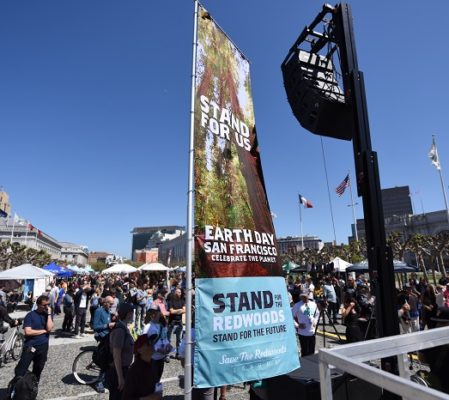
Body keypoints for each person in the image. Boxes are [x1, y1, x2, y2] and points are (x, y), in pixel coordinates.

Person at [14, 295, 53, 382]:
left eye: (48, 304)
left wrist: (49, 314)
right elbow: (28, 332)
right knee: (21, 369)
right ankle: (15, 388)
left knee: (38, 368)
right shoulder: (30, 315)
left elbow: (49, 328)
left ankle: (33, 387)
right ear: (38, 304)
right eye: (44, 305)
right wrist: (43, 331)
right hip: (30, 346)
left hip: (43, 346)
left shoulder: (47, 315)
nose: (46, 307)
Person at [105, 302, 134, 400]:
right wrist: (120, 377)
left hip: (123, 369)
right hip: (117, 371)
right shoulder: (120, 331)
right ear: (129, 314)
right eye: (132, 312)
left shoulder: (124, 327)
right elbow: (116, 355)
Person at [122, 334, 161, 400]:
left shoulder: (154, 363)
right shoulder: (134, 370)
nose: (152, 345)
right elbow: (126, 398)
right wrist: (149, 398)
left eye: (153, 342)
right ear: (139, 350)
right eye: (148, 343)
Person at [291, 289, 319, 357]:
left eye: (305, 296)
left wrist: (315, 321)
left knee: (312, 351)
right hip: (302, 333)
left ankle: (312, 365)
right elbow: (290, 316)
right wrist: (297, 325)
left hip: (312, 332)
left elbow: (317, 314)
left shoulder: (313, 304)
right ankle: (305, 365)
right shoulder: (297, 305)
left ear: (308, 295)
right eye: (302, 296)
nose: (303, 298)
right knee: (305, 352)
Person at [167, 288, 185, 359]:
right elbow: (171, 311)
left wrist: (176, 311)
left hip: (179, 322)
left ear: (181, 293)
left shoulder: (182, 301)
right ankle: (167, 355)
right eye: (177, 292)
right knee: (169, 339)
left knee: (179, 339)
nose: (178, 293)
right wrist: (180, 310)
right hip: (172, 322)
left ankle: (178, 353)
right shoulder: (171, 301)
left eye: (179, 292)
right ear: (175, 293)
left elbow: (185, 310)